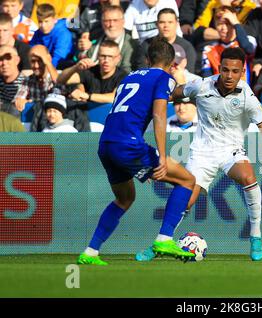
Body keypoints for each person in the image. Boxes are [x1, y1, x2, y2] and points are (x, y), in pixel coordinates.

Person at [77, 37, 196, 266]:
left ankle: (90, 251)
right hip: (129, 144)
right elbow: (160, 114)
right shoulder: (164, 78)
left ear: (148, 59)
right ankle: (164, 239)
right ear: (171, 64)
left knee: (125, 198)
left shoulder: (129, 77)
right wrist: (161, 156)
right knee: (187, 181)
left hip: (107, 144)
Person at [169, 47, 262, 262]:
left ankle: (256, 237)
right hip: (202, 153)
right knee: (185, 201)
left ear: (242, 72)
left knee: (249, 177)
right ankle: (162, 241)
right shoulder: (202, 85)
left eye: (235, 71)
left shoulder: (247, 96)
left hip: (231, 151)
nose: (229, 75)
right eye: (225, 70)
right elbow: (173, 94)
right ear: (219, 68)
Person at [57, 40, 127, 105]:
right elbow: (60, 80)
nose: (106, 60)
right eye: (103, 56)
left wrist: (87, 96)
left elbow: (115, 97)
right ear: (98, 56)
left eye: (110, 57)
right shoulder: (90, 71)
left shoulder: (124, 76)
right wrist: (75, 67)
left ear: (118, 59)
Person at [201, 6, 256, 83]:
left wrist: (236, 23)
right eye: (220, 24)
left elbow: (248, 49)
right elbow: (206, 77)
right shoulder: (208, 49)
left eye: (227, 23)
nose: (223, 28)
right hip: (218, 91)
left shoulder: (248, 40)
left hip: (244, 91)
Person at [83, 5, 146, 73]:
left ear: (123, 21)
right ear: (102, 23)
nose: (111, 25)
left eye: (115, 20)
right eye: (107, 21)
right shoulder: (94, 42)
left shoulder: (133, 45)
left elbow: (128, 71)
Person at [29, 3, 73, 68]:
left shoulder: (63, 34)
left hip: (62, 67)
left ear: (55, 19)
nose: (43, 25)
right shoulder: (38, 33)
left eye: (46, 21)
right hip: (43, 65)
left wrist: (47, 72)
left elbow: (58, 58)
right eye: (40, 22)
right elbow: (31, 51)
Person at [156, 8, 197, 73]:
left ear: (177, 24)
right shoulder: (147, 45)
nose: (166, 25)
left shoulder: (187, 47)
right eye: (162, 22)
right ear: (156, 24)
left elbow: (190, 76)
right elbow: (142, 73)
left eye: (170, 22)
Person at [0, 44, 26, 117]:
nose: (4, 63)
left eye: (8, 58)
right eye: (0, 59)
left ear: (17, 60)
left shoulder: (27, 84)